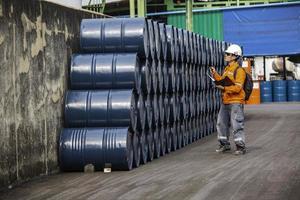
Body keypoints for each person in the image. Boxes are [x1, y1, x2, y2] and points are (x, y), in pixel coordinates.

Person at [210, 44, 246, 155]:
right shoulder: (227, 69)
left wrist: (224, 88)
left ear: (235, 56)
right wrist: (215, 74)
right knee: (221, 123)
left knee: (236, 124)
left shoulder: (239, 71)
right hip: (225, 101)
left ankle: (240, 147)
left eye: (228, 54)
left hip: (235, 101)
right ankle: (224, 144)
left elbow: (238, 87)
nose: (225, 55)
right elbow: (222, 80)